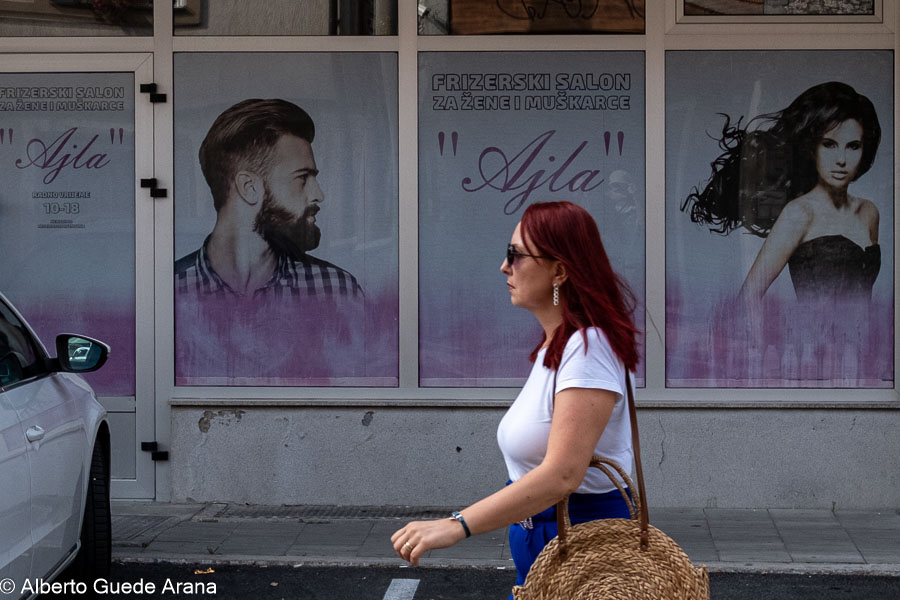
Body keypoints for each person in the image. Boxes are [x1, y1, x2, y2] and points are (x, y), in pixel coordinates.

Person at [391, 201, 639, 595]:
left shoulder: (588, 350)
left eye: (516, 255)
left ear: (559, 271)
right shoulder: (557, 347)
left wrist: (457, 525)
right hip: (551, 550)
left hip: (581, 552)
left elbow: (563, 474)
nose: (504, 267)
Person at [681, 81, 882, 305]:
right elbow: (746, 301)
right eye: (829, 144)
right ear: (812, 148)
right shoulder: (799, 214)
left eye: (853, 146)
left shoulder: (869, 212)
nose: (841, 160)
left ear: (865, 149)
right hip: (813, 329)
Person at [175, 98, 362, 300]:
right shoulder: (168, 291)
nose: (318, 195)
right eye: (302, 178)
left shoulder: (336, 290)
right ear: (249, 188)